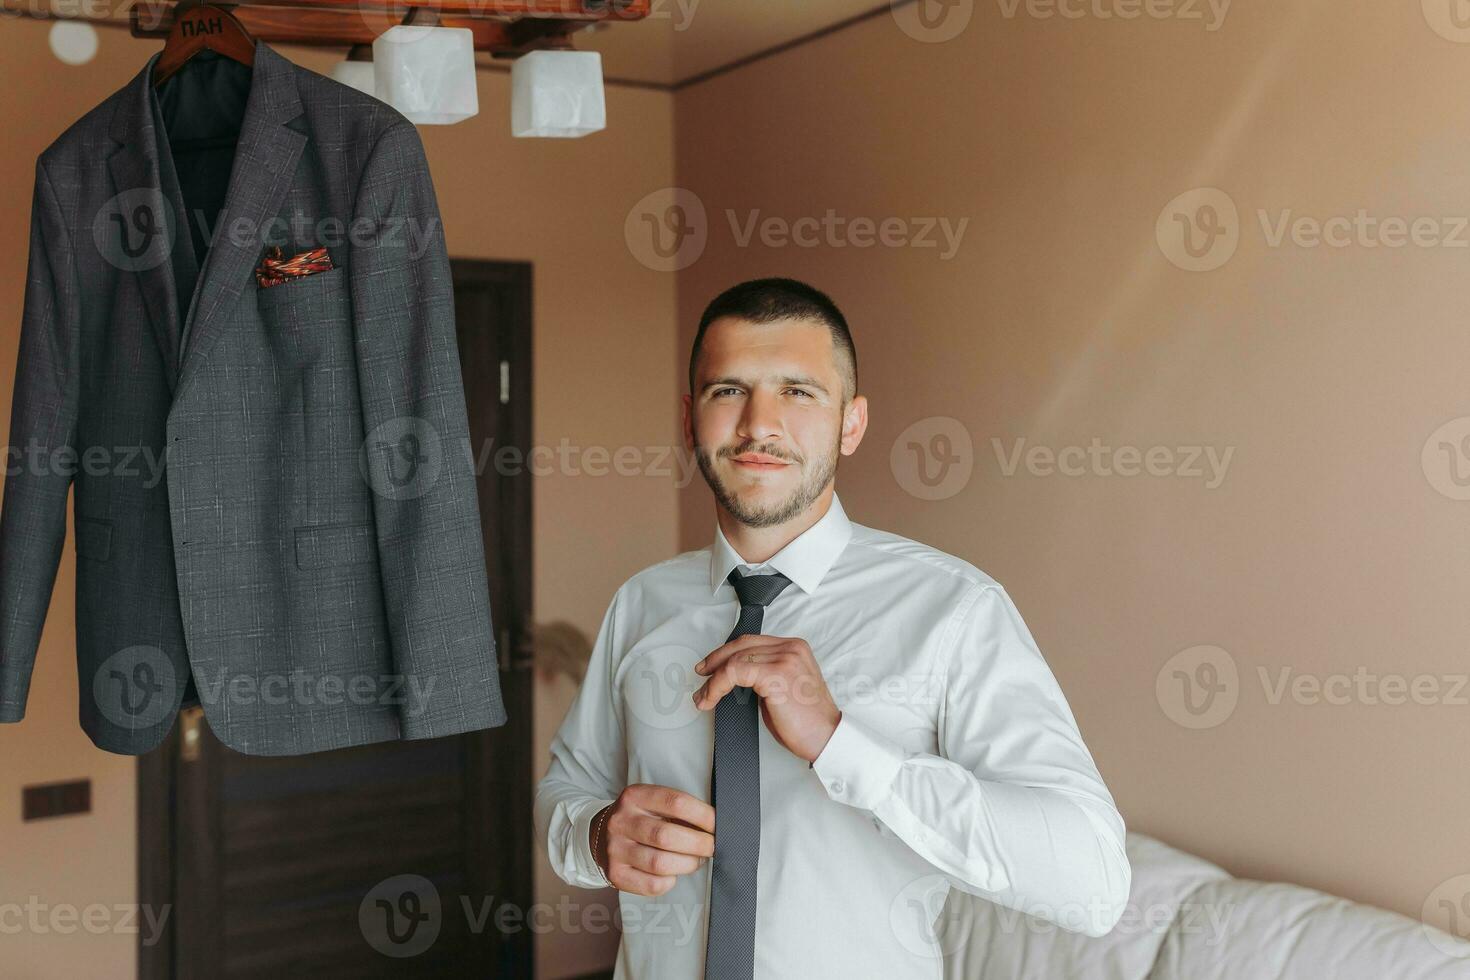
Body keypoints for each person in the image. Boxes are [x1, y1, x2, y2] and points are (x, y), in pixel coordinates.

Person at [534, 277, 1131, 979]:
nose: (759, 424)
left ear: (852, 423)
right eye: (729, 391)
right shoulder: (642, 604)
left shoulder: (954, 610)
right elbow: (565, 791)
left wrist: (841, 744)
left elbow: (1093, 882)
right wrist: (597, 834)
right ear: (690, 418)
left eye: (798, 392)